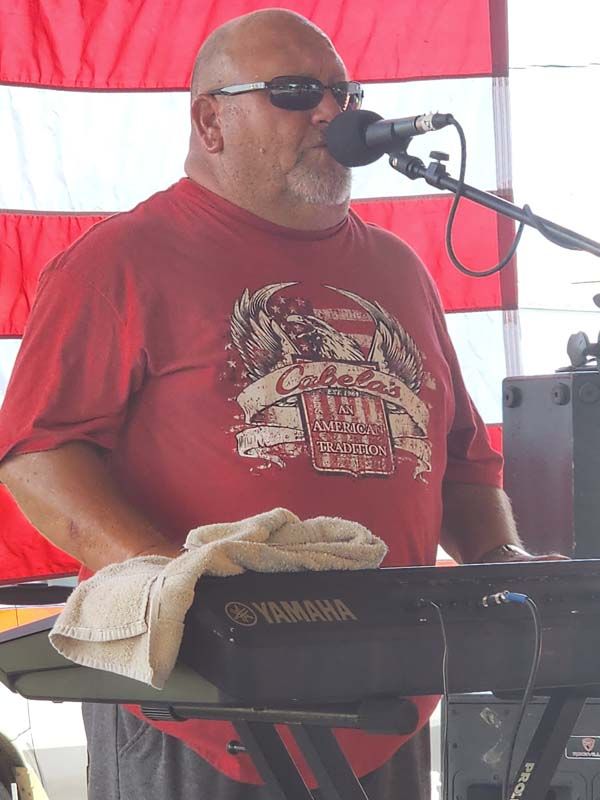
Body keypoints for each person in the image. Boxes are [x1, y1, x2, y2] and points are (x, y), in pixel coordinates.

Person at [0, 9, 563, 800]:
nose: (333, 111)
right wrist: (172, 581)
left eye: (343, 92)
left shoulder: (399, 269)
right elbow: (39, 453)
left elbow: (462, 464)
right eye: (296, 92)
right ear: (210, 120)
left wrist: (502, 561)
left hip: (384, 690)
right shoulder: (121, 260)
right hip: (196, 695)